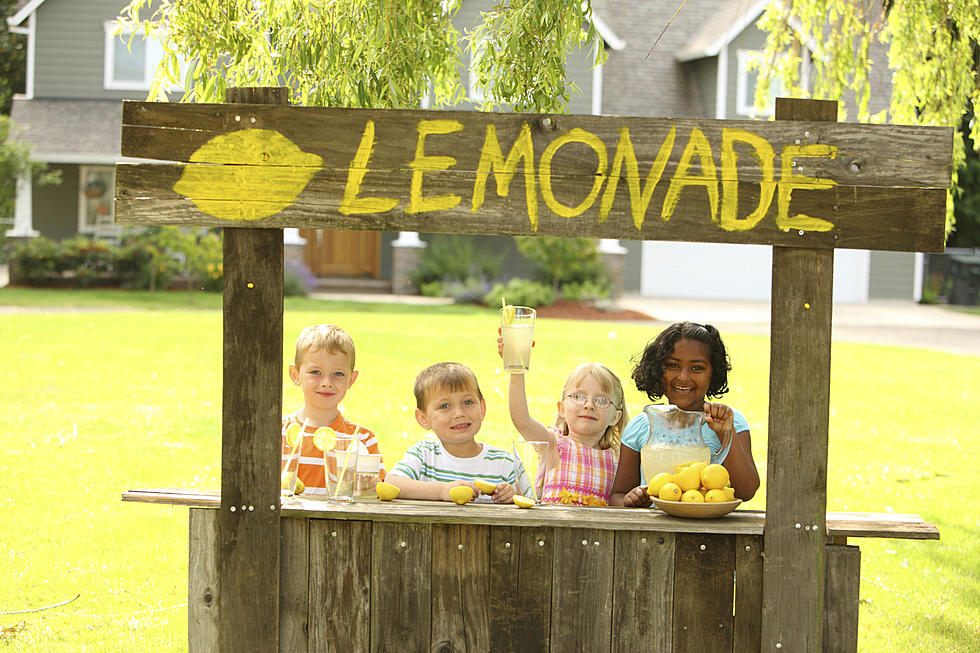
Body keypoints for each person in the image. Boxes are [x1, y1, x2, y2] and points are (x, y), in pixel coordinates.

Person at [610, 322, 759, 507]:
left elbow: (746, 490)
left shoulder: (729, 421)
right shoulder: (642, 426)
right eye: (673, 365)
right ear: (658, 369)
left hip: (708, 532)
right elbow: (617, 495)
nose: (683, 377)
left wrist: (725, 432)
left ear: (714, 373)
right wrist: (629, 500)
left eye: (697, 368)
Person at [386, 362, 530, 503]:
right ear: (423, 419)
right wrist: (442, 491)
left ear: (482, 408)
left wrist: (512, 496)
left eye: (468, 402)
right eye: (444, 406)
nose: (459, 413)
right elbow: (392, 483)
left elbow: (531, 501)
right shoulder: (423, 455)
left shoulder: (504, 463)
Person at [503, 350, 628, 506]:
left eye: (602, 400)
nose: (589, 405)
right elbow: (521, 420)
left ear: (615, 417)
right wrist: (516, 369)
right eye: (578, 396)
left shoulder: (618, 459)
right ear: (561, 408)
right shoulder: (553, 444)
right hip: (551, 530)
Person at [281, 324, 385, 496]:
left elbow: (380, 490)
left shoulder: (362, 438)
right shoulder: (281, 433)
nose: (327, 382)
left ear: (351, 380)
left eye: (338, 374)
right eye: (315, 372)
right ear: (295, 374)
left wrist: (370, 486)